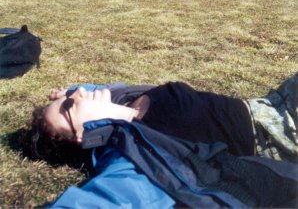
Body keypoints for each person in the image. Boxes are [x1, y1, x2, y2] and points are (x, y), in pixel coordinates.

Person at [31, 74, 298, 208]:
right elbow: (110, 197)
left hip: (270, 103)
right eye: (68, 105)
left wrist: (69, 92)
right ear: (81, 135)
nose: (77, 93)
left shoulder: (121, 98)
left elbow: (91, 90)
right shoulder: (135, 154)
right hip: (278, 135)